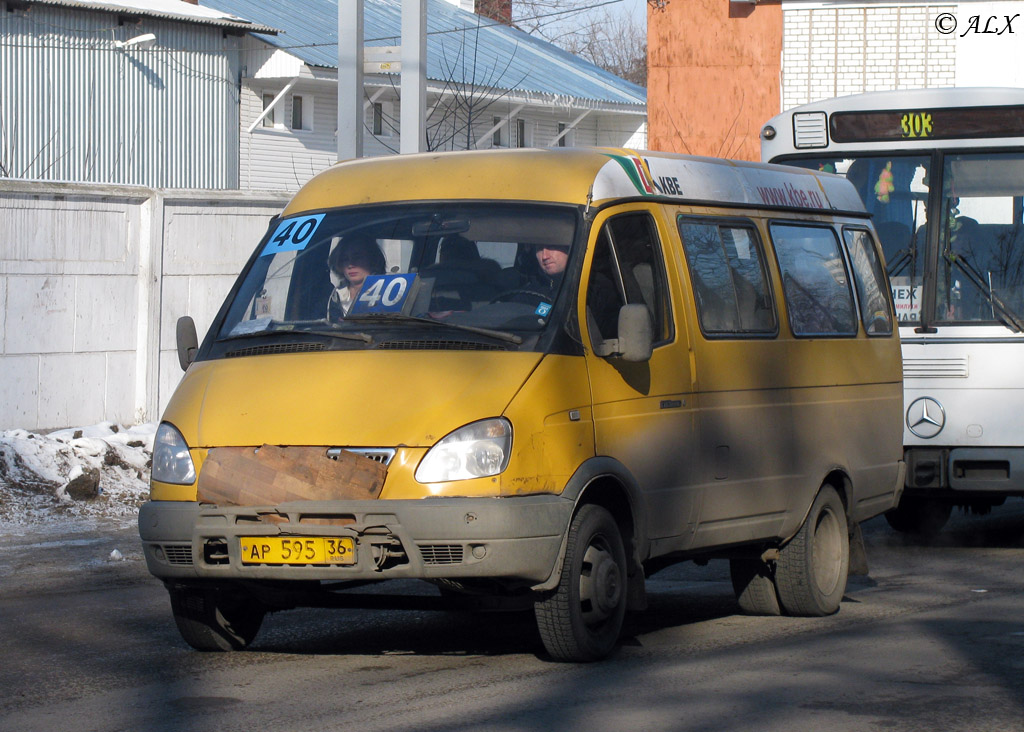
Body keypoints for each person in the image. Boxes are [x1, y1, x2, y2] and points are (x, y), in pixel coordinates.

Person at [327, 234, 386, 319]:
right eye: (345, 259)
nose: (350, 264)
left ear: (372, 260)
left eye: (357, 257)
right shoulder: (336, 295)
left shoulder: (387, 291)